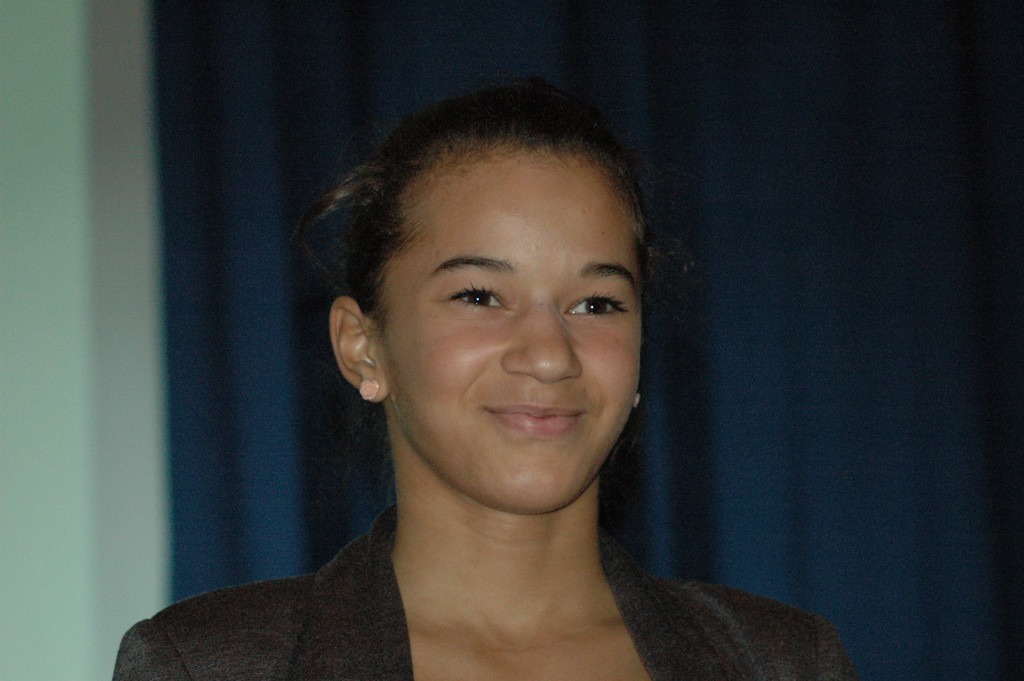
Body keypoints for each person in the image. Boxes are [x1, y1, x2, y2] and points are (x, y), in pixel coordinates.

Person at [113, 78, 859, 680]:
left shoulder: (785, 663)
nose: (550, 354)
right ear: (363, 347)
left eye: (597, 303)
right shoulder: (207, 665)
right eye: (480, 296)